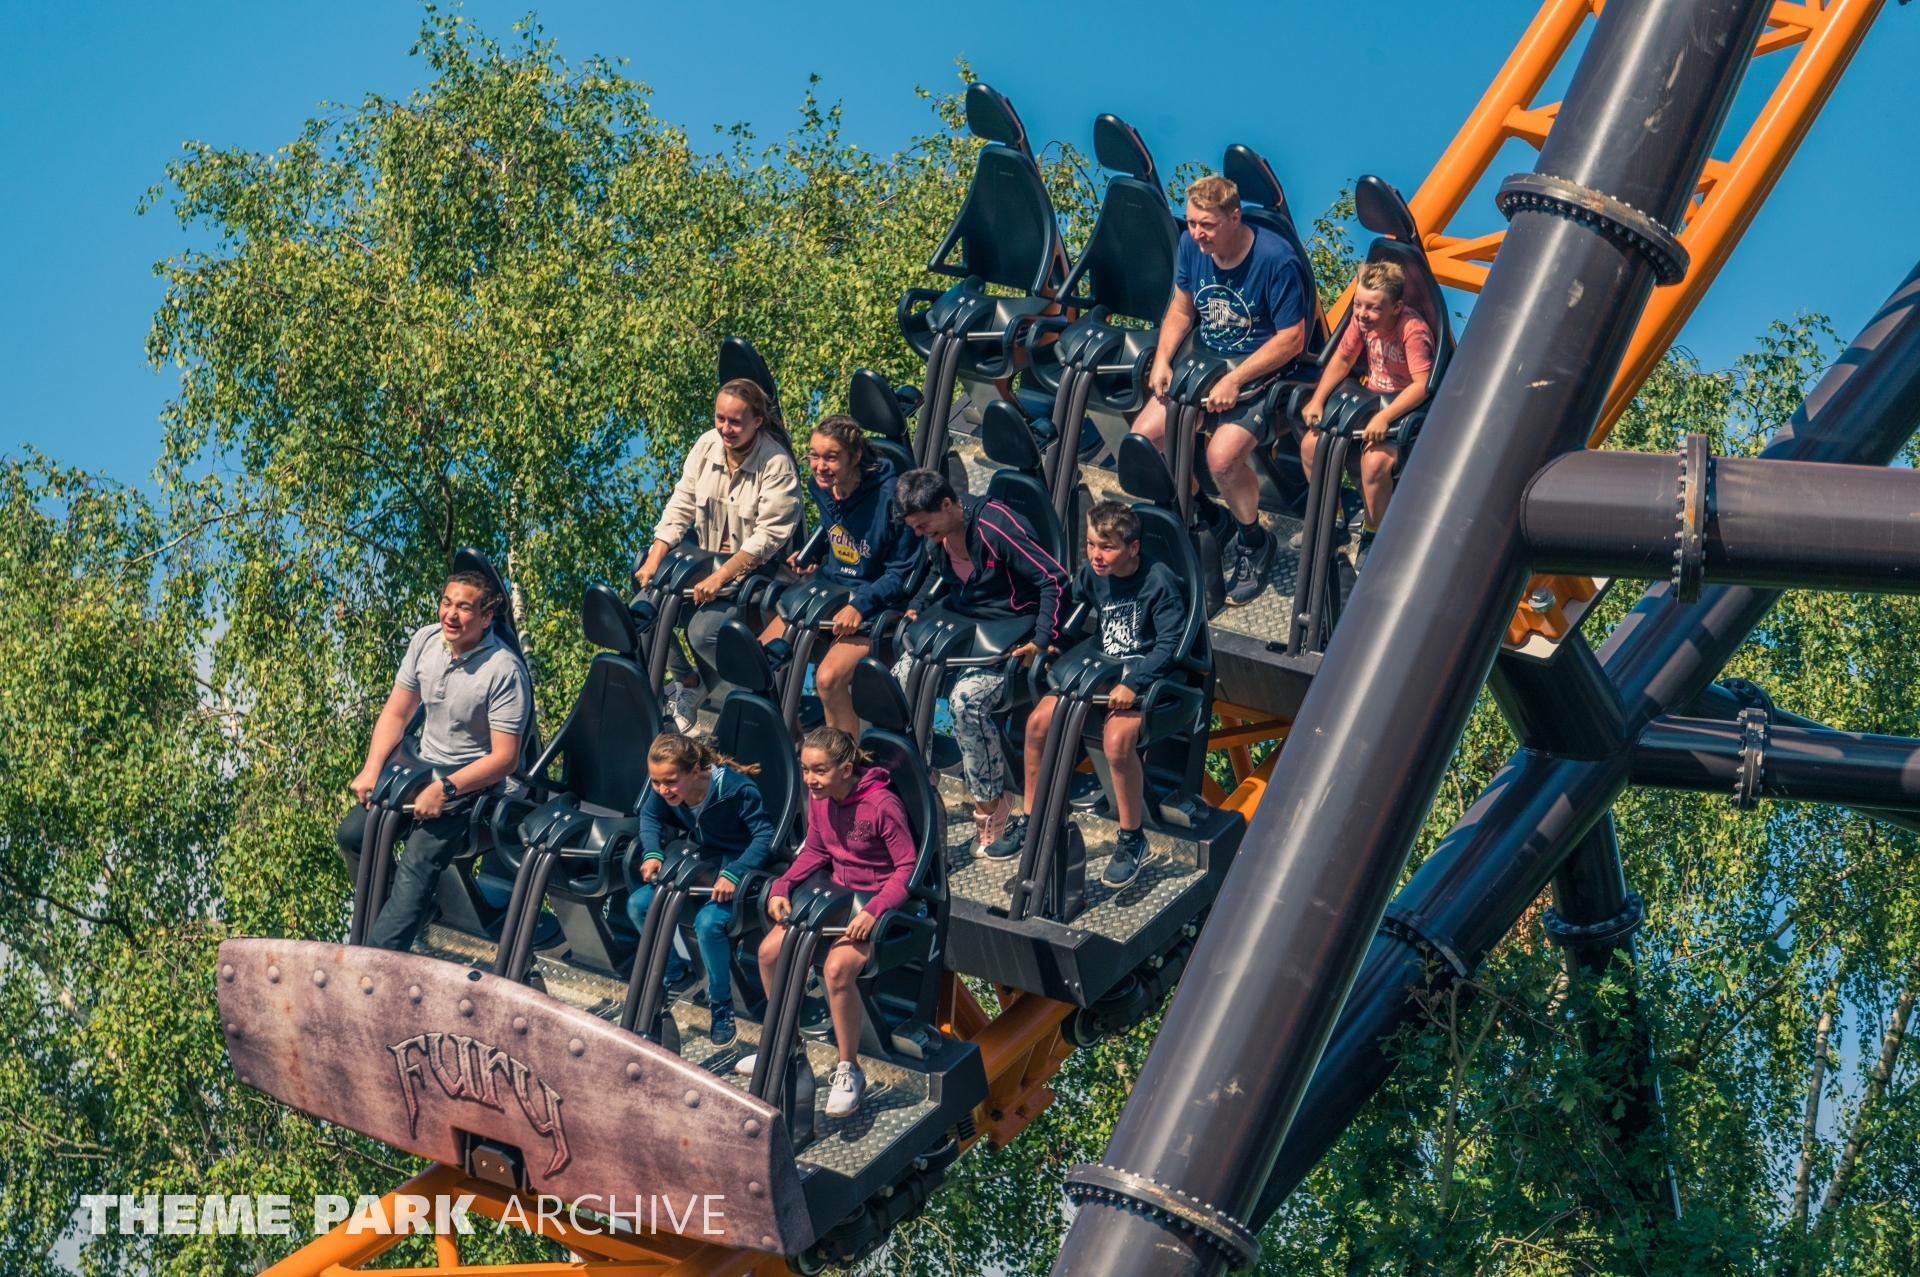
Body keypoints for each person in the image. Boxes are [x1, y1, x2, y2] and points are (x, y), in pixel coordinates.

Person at [1130, 175, 1311, 606]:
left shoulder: (1276, 260)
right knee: (1146, 440)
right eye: (1192, 222)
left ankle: (1253, 540)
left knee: (1222, 460)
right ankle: (1211, 516)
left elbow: (1292, 339)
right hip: (1204, 362)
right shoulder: (1191, 246)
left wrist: (1236, 379)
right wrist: (1162, 359)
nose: (1197, 233)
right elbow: (1181, 309)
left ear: (1234, 217)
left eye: (1207, 225)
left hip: (1257, 371)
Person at [989, 502, 1186, 889]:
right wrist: (1050, 643)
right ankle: (1031, 819)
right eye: (1092, 544)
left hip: (1143, 673)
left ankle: (1132, 838)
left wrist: (1135, 682)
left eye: (1107, 547)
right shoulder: (1093, 573)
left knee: (1116, 742)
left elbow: (1170, 646)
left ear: (1133, 548)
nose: (1096, 555)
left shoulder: (1159, 582)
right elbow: (1067, 604)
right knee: (1038, 724)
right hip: (1102, 665)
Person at [339, 571, 531, 952]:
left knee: (417, 861)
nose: (451, 614)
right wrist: (372, 769)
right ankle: (413, 914)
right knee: (354, 836)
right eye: (447, 603)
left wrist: (446, 789)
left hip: (475, 789)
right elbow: (397, 713)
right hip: (422, 769)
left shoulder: (504, 671)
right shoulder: (426, 641)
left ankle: (375, 961)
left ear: (486, 617)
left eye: (464, 607)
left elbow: (506, 758)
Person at [736, 727, 918, 1118]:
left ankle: (849, 1069)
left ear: (846, 769)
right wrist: (783, 885)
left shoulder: (881, 804)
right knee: (769, 953)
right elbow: (816, 850)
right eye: (805, 770)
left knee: (836, 970)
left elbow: (907, 867)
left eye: (819, 770)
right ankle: (787, 1047)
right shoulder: (820, 799)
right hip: (834, 897)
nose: (809, 779)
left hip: (874, 904)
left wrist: (874, 910)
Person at [890, 469, 1068, 851]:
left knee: (965, 702)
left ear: (948, 505)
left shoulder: (995, 526)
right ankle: (921, 779)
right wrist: (917, 605)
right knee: (901, 677)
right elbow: (935, 573)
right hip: (966, 624)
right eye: (914, 528)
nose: (920, 534)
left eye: (924, 525)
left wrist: (1042, 640)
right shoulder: (936, 537)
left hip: (1011, 634)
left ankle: (991, 805)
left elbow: (1053, 580)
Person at [634, 379, 804, 732]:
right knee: (639, 612)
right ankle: (688, 682)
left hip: (756, 573)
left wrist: (721, 577)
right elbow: (681, 504)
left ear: (758, 421)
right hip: (706, 558)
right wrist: (655, 556)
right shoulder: (707, 445)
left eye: (736, 422)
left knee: (702, 631)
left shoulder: (776, 463)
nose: (726, 428)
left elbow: (768, 537)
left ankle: (754, 700)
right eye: (720, 418)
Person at [759, 414, 920, 732]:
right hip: (833, 587)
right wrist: (811, 553)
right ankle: (793, 742)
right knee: (762, 658)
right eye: (814, 456)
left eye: (831, 457)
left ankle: (844, 758)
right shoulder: (821, 487)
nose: (820, 466)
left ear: (855, 456)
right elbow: (835, 526)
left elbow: (903, 571)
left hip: (876, 602)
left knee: (828, 679)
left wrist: (860, 606)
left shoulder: (893, 499)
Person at [624, 734, 779, 1048]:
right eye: (656, 782)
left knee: (708, 925)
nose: (662, 790)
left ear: (694, 772)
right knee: (638, 905)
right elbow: (650, 816)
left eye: (670, 782)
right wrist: (652, 852)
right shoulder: (665, 788)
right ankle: (676, 975)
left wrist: (735, 872)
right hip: (701, 863)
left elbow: (765, 836)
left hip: (740, 871)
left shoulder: (736, 790)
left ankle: (720, 1003)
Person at [1298, 260, 1434, 570]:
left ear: (1396, 307)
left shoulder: (1412, 331)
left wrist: (1385, 418)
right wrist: (1318, 400)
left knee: (1373, 462)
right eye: (1358, 304)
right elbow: (1343, 360)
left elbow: (1422, 385)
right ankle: (1332, 520)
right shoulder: (1362, 322)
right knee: (1310, 446)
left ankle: (1373, 534)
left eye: (1373, 307)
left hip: (1403, 410)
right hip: (1370, 398)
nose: (1361, 313)